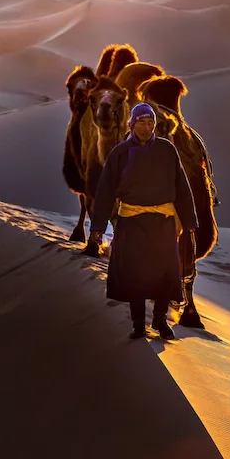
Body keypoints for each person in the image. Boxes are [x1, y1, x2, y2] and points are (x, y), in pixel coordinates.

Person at [85, 102, 198, 341]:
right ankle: (138, 324)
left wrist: (189, 221)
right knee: (134, 275)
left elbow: (181, 186)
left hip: (162, 223)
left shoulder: (167, 150)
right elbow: (105, 191)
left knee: (164, 274)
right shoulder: (120, 153)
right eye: (142, 122)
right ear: (132, 124)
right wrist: (97, 227)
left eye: (150, 122)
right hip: (131, 223)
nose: (147, 127)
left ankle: (159, 320)